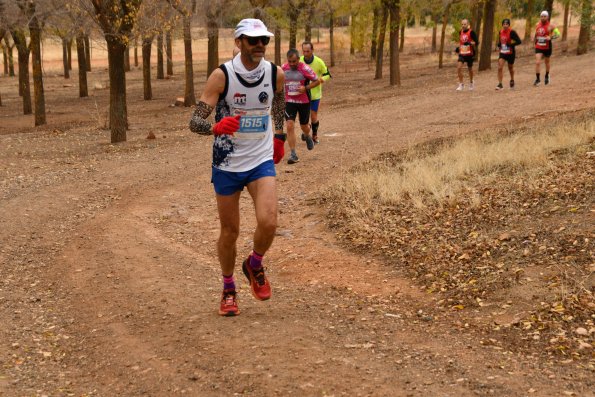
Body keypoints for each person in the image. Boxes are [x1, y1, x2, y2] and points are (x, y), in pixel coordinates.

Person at [188, 18, 286, 316]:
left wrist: (279, 135)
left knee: (269, 221)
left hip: (260, 159)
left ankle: (254, 264)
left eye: (264, 40)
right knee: (230, 231)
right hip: (227, 162)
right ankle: (228, 287)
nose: (260, 45)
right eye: (253, 40)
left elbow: (279, 102)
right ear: (238, 42)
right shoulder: (222, 76)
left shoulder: (275, 73)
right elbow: (194, 122)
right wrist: (215, 127)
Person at [282, 48, 321, 164]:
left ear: (298, 59)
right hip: (289, 101)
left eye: (294, 61)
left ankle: (307, 135)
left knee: (304, 126)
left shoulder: (304, 68)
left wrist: (306, 88)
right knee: (289, 125)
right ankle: (293, 154)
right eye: (290, 61)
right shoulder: (283, 68)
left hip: (304, 101)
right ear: (287, 60)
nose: (292, 64)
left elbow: (317, 81)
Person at [300, 41, 331, 144]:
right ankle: (306, 130)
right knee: (303, 118)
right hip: (303, 94)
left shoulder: (319, 62)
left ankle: (314, 135)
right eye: (304, 51)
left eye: (307, 51)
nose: (305, 53)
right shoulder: (299, 61)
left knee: (313, 116)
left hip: (315, 95)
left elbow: (327, 74)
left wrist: (321, 80)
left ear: (312, 50)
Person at [534, 11, 560, 86]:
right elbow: (536, 34)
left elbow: (558, 34)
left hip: (547, 46)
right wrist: (535, 42)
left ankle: (546, 75)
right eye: (542, 16)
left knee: (547, 62)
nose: (543, 18)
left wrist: (551, 37)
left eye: (544, 16)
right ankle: (538, 79)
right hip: (539, 46)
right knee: (537, 62)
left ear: (547, 17)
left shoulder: (551, 26)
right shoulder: (537, 25)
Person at [495, 19, 522, 90]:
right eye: (504, 24)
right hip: (503, 52)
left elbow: (519, 41)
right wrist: (499, 44)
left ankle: (512, 79)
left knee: (510, 68)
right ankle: (500, 84)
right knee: (500, 67)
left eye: (507, 24)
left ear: (509, 25)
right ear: (502, 25)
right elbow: (501, 41)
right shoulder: (500, 32)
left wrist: (511, 44)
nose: (505, 25)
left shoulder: (512, 32)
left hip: (510, 53)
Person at [455, 19, 479, 91]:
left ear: (468, 24)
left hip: (469, 53)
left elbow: (477, 42)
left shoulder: (471, 32)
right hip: (462, 53)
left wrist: (470, 43)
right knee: (459, 67)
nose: (463, 26)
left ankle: (471, 82)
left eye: (464, 24)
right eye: (462, 24)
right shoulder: (460, 32)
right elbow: (461, 42)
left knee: (470, 69)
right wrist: (458, 48)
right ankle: (461, 84)